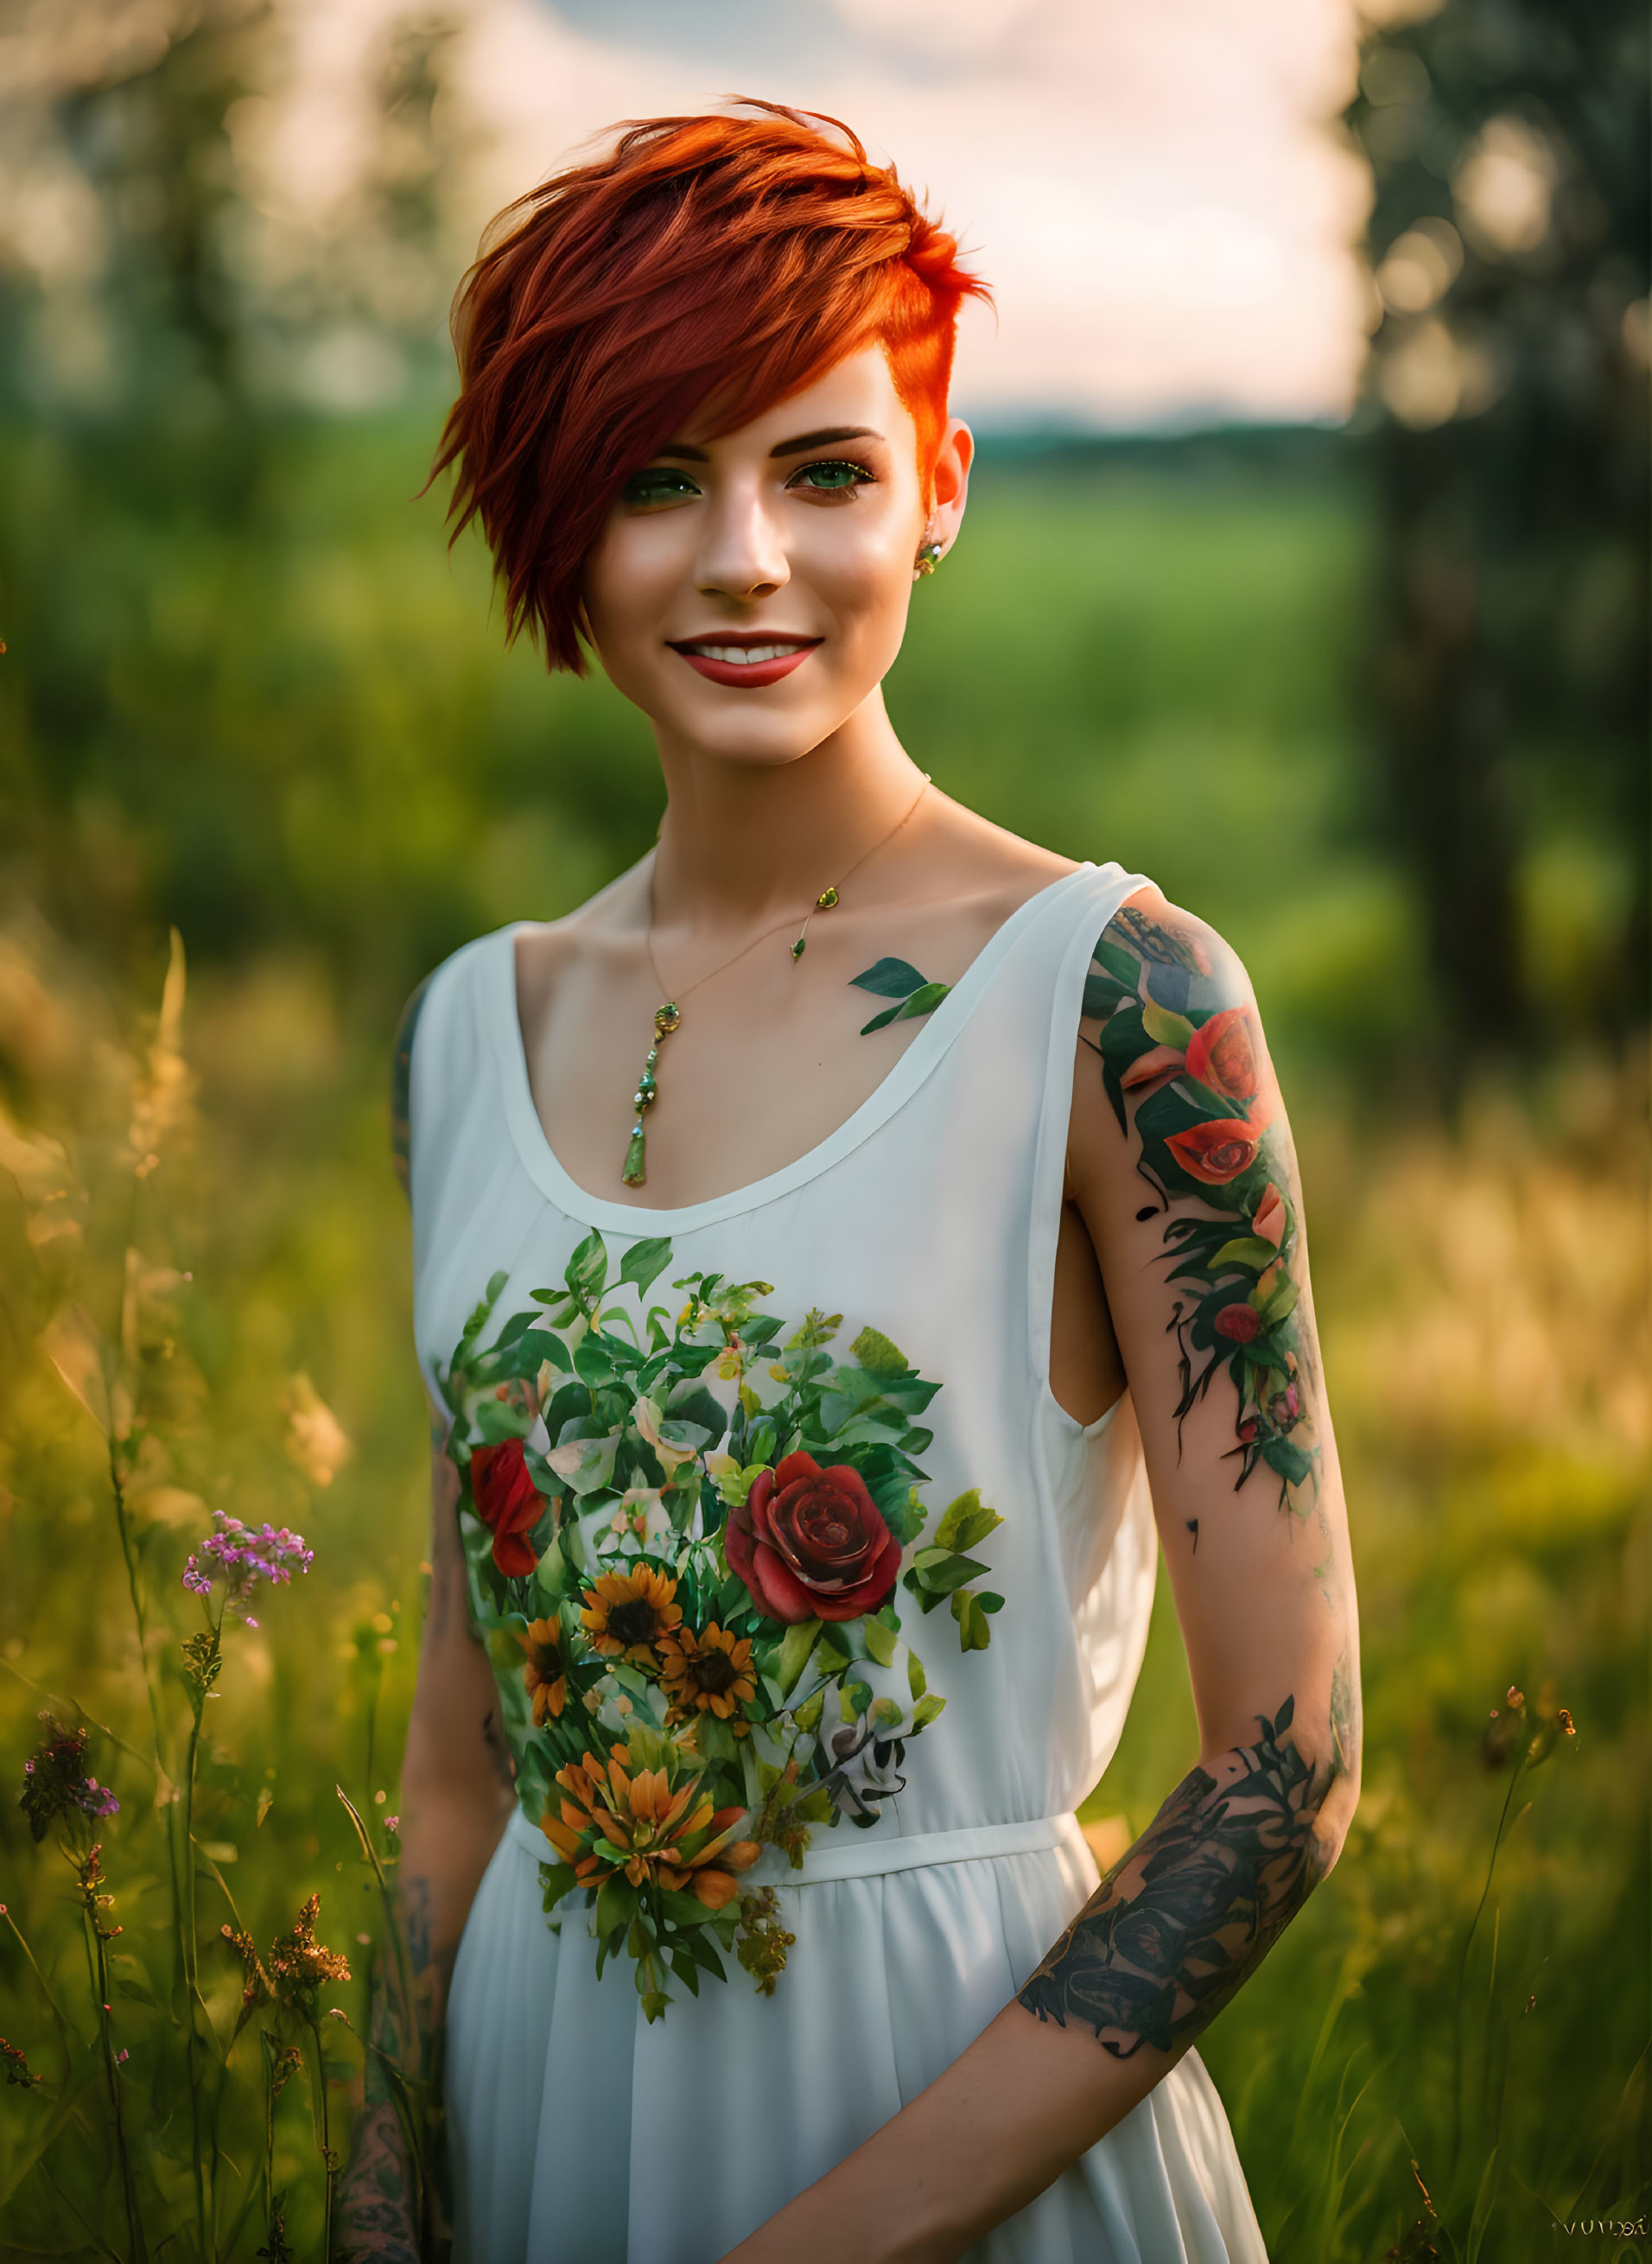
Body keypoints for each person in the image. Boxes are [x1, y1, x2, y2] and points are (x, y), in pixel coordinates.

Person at [337, 101, 1361, 2264]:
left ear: (942, 487)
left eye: (820, 470)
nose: (740, 560)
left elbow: (1286, 1764)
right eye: (649, 476)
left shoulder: (1115, 1000)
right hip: (541, 2125)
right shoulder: (467, 1031)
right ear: (555, 519)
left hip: (963, 2137)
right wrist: (374, 2186)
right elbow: (463, 1747)